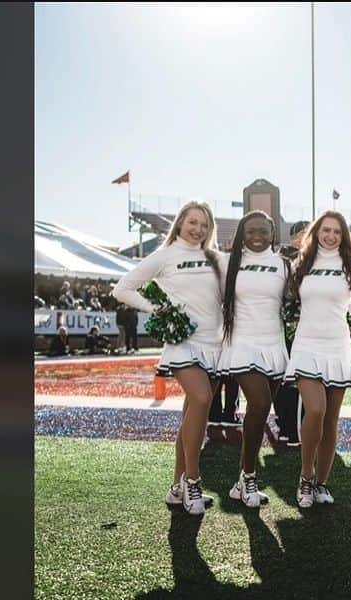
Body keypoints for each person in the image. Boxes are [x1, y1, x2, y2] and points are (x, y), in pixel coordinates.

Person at [113, 200, 223, 516]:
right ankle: (193, 480)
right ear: (179, 224)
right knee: (201, 400)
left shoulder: (214, 258)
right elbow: (123, 289)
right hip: (182, 344)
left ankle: (176, 487)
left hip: (213, 345)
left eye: (204, 224)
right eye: (192, 222)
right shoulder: (164, 256)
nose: (198, 229)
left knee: (194, 415)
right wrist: (160, 310)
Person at [284, 210, 351, 507]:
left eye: (336, 232)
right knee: (315, 410)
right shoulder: (301, 264)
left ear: (343, 236)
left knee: (331, 419)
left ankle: (322, 483)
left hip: (338, 346)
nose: (331, 236)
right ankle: (306, 477)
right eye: (326, 230)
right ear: (316, 232)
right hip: (307, 344)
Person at [214, 211, 289, 508]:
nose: (256, 236)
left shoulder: (283, 264)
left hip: (274, 345)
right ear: (241, 235)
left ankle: (240, 481)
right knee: (259, 405)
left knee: (259, 415)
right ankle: (248, 477)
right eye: (250, 231)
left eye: (263, 231)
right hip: (242, 343)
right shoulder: (228, 262)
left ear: (272, 233)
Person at [275, 220, 312, 447]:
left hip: (307, 328)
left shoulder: (315, 258)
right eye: (301, 234)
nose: (304, 238)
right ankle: (286, 424)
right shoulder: (283, 258)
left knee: (305, 381)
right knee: (284, 379)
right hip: (285, 326)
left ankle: (301, 425)